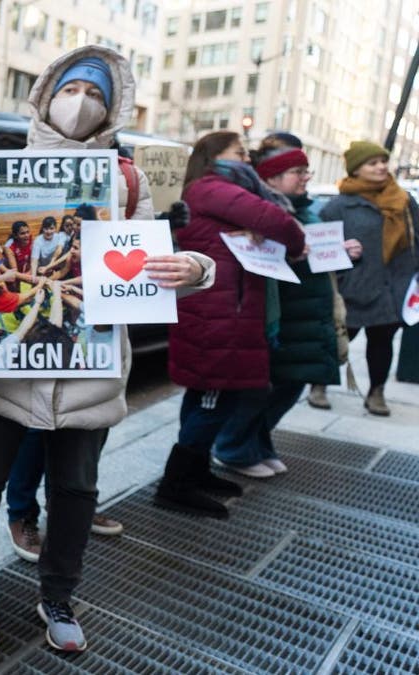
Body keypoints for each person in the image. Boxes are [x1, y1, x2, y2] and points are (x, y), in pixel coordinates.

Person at [0, 45, 214, 655]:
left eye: (95, 94)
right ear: (44, 95)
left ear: (112, 107)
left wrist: (192, 266)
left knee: (78, 491)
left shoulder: (126, 179)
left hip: (89, 371)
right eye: (69, 89)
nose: (81, 102)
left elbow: (155, 258)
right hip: (4, 372)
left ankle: (59, 593)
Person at [155, 131, 305, 514]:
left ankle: (195, 471)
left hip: (218, 307)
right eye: (239, 152)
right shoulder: (211, 186)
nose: (247, 159)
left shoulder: (206, 190)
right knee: (215, 396)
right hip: (218, 312)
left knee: (204, 395)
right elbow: (277, 220)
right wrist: (286, 236)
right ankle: (175, 485)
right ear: (214, 157)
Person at [209, 144, 349, 476]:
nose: (306, 178)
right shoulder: (265, 213)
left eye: (306, 171)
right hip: (283, 315)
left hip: (306, 313)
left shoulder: (305, 211)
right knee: (270, 388)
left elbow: (316, 258)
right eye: (297, 172)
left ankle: (256, 444)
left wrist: (346, 255)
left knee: (291, 384)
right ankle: (233, 447)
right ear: (272, 178)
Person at [319, 141, 419, 416]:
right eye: (372, 163)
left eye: (383, 161)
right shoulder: (339, 205)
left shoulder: (404, 200)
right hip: (354, 286)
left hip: (393, 286)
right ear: (356, 169)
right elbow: (324, 248)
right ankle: (319, 383)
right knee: (339, 338)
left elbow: (416, 239)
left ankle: (377, 392)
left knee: (382, 342)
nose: (381, 167)